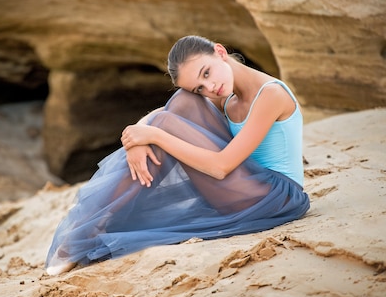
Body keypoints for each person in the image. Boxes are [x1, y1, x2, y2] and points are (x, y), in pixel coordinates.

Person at [45, 35, 310, 276]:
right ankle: (96, 219)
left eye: (206, 72)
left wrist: (154, 136)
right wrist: (137, 139)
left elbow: (221, 167)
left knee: (162, 125)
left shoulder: (271, 94)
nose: (210, 87)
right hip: (243, 185)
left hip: (275, 197)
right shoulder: (225, 95)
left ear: (220, 52)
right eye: (200, 87)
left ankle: (91, 223)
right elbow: (160, 114)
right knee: (182, 102)